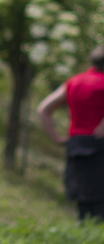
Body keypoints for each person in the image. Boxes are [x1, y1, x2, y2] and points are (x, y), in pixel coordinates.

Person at [36, 47, 104, 222]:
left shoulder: (74, 82)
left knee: (83, 201)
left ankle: (85, 241)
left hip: (76, 146)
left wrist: (56, 138)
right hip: (99, 146)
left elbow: (44, 109)